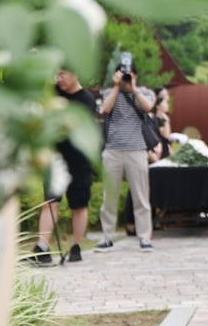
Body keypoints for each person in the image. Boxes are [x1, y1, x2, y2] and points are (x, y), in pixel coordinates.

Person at [31, 68, 97, 264]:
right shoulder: (52, 93)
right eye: (57, 74)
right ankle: (42, 247)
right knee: (50, 202)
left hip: (79, 159)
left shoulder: (87, 100)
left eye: (63, 74)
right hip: (55, 157)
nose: (59, 79)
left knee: (79, 204)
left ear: (75, 74)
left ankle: (76, 246)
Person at [97, 63, 158, 252]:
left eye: (129, 75)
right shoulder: (109, 92)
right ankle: (107, 237)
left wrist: (132, 89)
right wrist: (117, 86)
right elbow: (105, 110)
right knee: (109, 197)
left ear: (136, 75)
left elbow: (148, 107)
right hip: (112, 151)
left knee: (141, 196)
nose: (126, 78)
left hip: (137, 150)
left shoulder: (144, 92)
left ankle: (144, 237)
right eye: (123, 75)